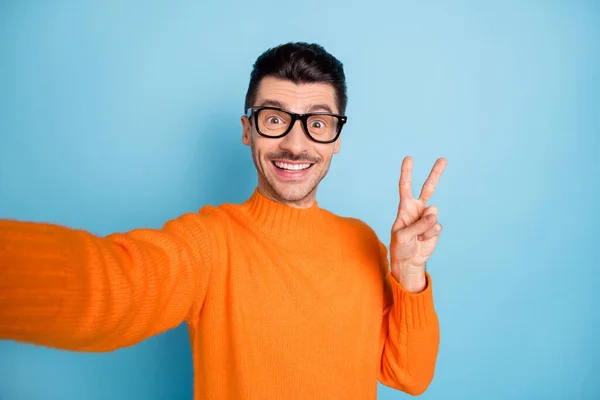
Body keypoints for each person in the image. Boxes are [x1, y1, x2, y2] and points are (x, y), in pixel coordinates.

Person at [0, 42, 447, 399]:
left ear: (336, 139)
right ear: (247, 129)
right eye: (275, 119)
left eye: (317, 122)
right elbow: (108, 284)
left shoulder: (364, 242)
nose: (295, 143)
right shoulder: (209, 244)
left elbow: (409, 376)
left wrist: (409, 273)